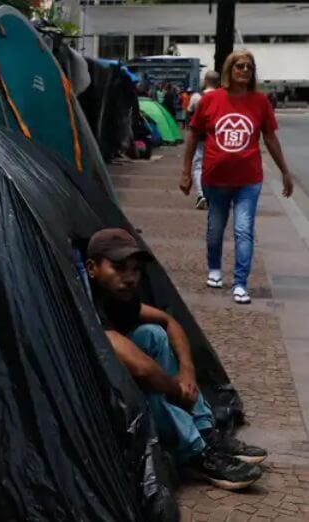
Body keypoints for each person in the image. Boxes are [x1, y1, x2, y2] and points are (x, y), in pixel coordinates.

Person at [85, 228, 267, 491]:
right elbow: (139, 366)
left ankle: (205, 433)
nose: (130, 278)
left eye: (135, 269)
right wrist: (176, 390)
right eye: (119, 267)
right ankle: (195, 453)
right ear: (92, 268)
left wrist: (187, 373)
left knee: (153, 333)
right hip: (100, 399)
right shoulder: (87, 302)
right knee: (152, 385)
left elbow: (169, 321)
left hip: (133, 381)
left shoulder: (118, 297)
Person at [180, 51, 294, 304]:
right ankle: (215, 269)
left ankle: (241, 283)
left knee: (244, 230)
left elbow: (271, 139)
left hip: (248, 180)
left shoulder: (260, 101)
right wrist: (186, 172)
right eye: (240, 66)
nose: (244, 70)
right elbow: (193, 137)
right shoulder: (210, 101)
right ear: (229, 70)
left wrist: (285, 171)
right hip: (215, 178)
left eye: (249, 67)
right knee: (215, 228)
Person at [186, 71, 220, 210]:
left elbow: (189, 111)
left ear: (205, 81)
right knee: (216, 166)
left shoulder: (196, 96)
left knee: (199, 165)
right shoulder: (222, 97)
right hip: (217, 138)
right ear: (217, 82)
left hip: (200, 137)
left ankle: (202, 194)